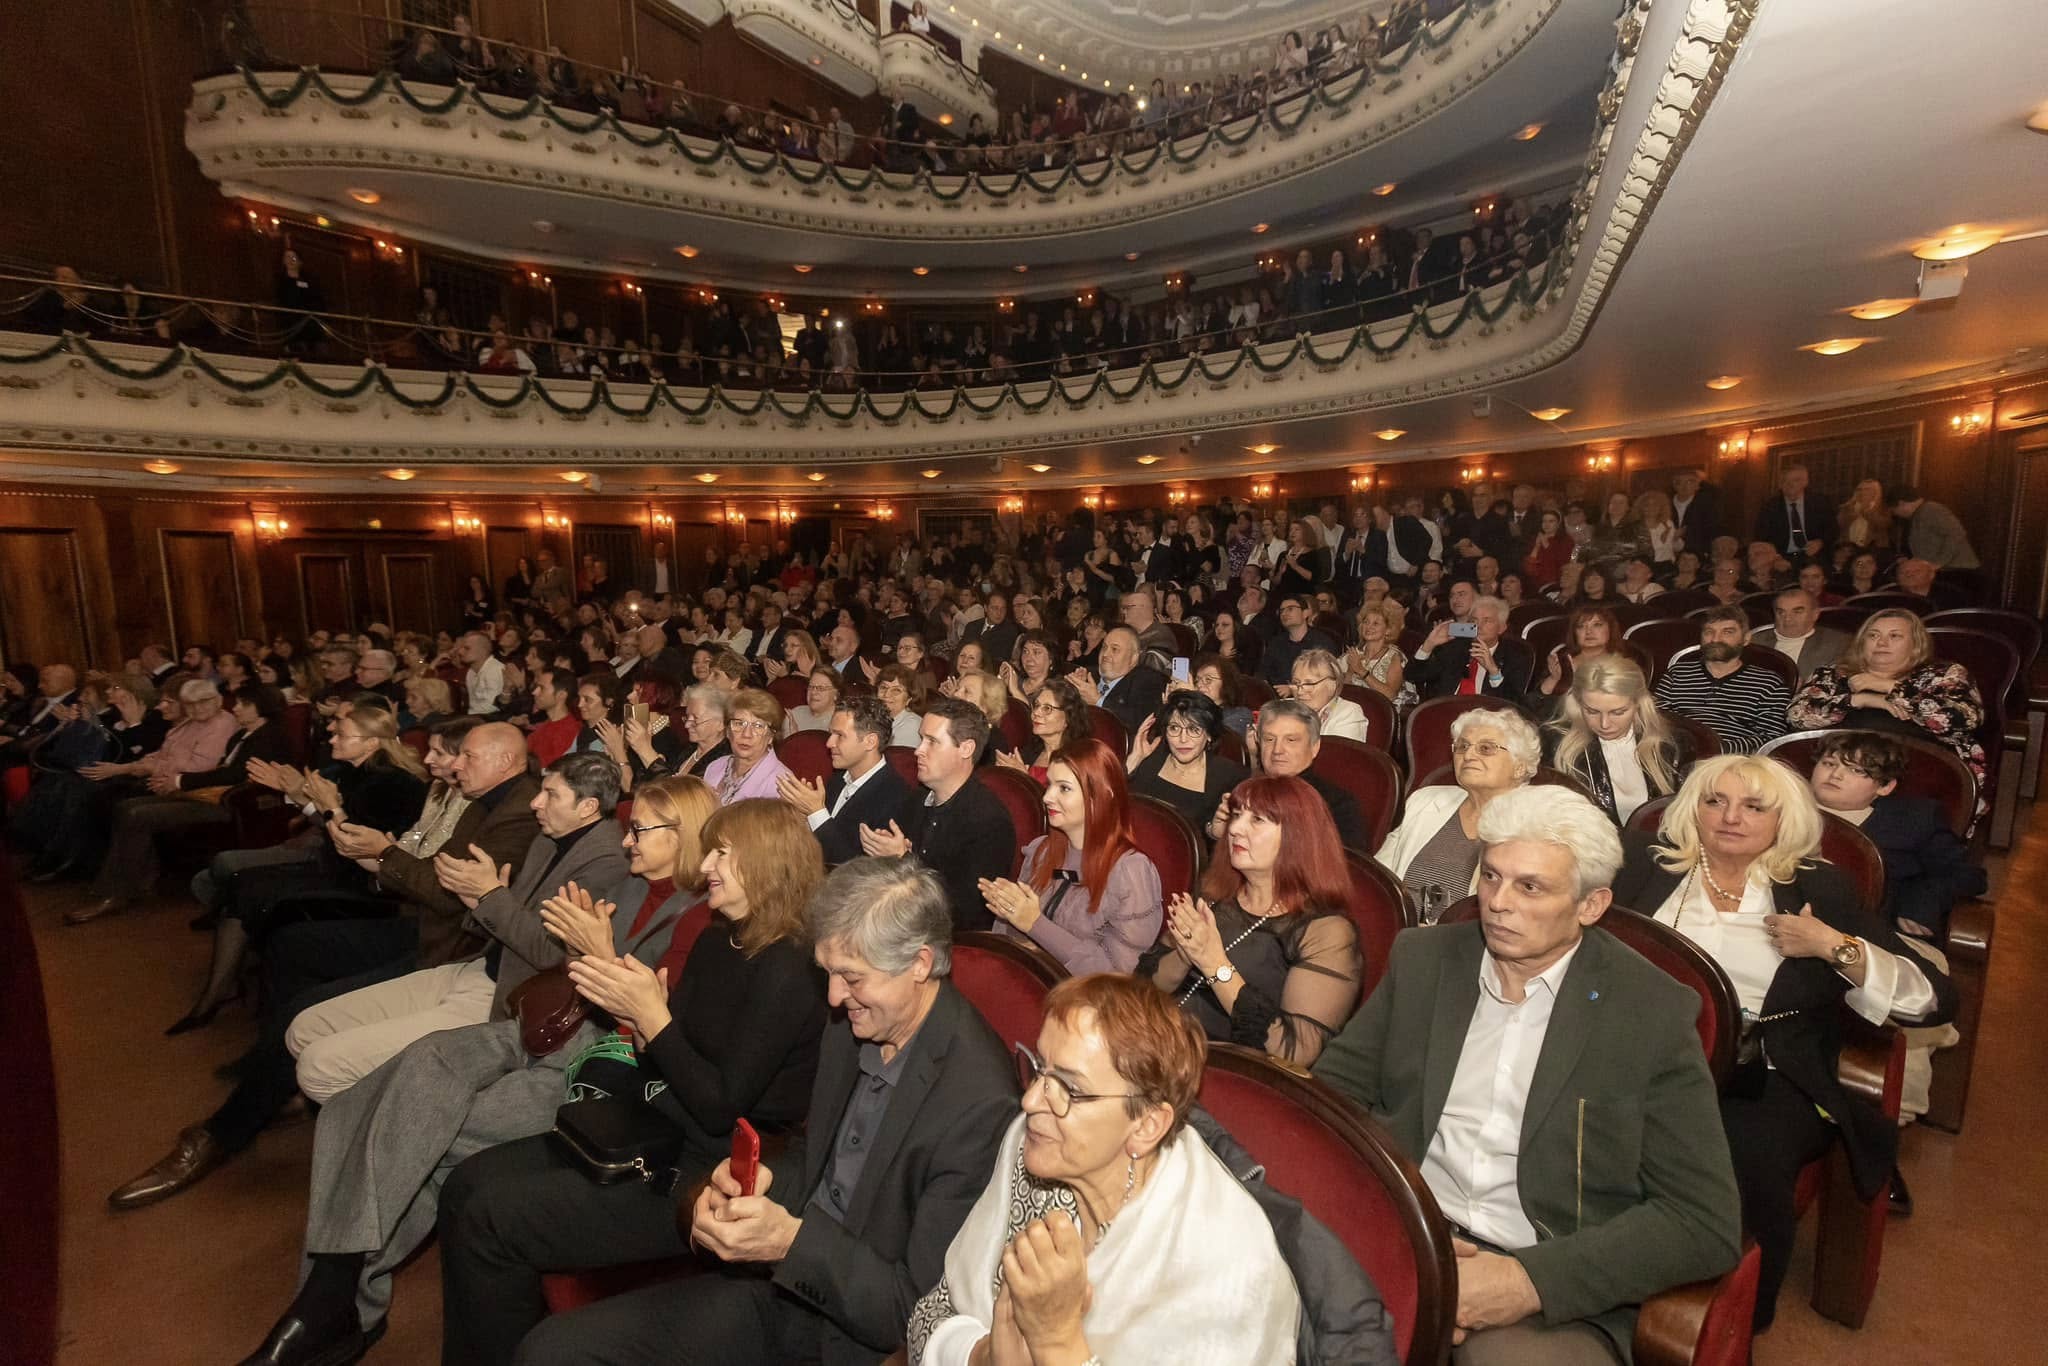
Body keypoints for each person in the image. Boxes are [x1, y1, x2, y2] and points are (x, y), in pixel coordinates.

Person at [441, 856, 1017, 1365]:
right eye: (829, 974)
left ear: (920, 964)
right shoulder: (864, 1020)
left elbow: (912, 1312)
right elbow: (823, 1166)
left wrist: (789, 1241)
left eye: (852, 978)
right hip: (788, 1280)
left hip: (852, 1336)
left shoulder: (978, 1105)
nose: (835, 999)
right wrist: (754, 1187)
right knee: (550, 1351)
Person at [230, 779, 719, 1366]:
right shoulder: (624, 880)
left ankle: (328, 1302)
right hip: (545, 1027)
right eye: (628, 826)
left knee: (418, 1127)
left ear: (684, 835)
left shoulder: (701, 917)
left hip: (602, 1063)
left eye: (640, 830)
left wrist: (595, 951)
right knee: (387, 1082)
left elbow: (649, 1027)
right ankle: (337, 1300)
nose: (627, 839)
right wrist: (575, 945)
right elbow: (553, 955)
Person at [1316, 786, 1742, 1361]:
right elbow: (1330, 1103)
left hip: (1549, 1275)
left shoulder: (1650, 1012)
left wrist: (1526, 1281)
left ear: (1591, 906)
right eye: (1490, 876)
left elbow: (1702, 1221)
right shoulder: (1425, 960)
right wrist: (1381, 1225)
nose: (1497, 902)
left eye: (1530, 886)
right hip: (1403, 1227)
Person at [107, 725, 544, 1211]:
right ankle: (274, 1082)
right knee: (291, 950)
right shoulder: (484, 799)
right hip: (425, 925)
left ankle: (221, 1133)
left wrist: (381, 852)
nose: (454, 764)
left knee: (303, 995)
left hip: (443, 944)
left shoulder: (517, 813)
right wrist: (368, 843)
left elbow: (449, 894)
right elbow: (433, 872)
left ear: (507, 762)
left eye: (466, 756)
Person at [1610, 757, 1954, 1330]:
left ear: (1783, 820)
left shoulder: (1817, 888)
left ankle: (1734, 1316)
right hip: (1633, 1054)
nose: (1730, 817)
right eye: (1714, 801)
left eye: (1753, 806)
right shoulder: (1642, 867)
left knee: (1748, 1154)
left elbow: (1933, 998)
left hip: (1759, 1073)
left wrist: (1833, 946)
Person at [908, 974, 1302, 1365]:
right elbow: (931, 1314)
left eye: (1070, 1088)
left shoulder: (1225, 1271)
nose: (1030, 1101)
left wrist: (1057, 1343)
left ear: (1146, 1125)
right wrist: (984, 1357)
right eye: (1040, 1068)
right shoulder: (1037, 1158)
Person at [1139, 774, 1362, 1066]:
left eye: (1257, 820)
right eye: (1236, 815)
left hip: (1227, 1075)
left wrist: (1213, 963)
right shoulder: (1216, 894)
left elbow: (1293, 1053)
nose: (1235, 829)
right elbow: (1146, 988)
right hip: (1159, 1043)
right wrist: (1186, 952)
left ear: (1298, 836)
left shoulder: (1327, 932)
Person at [64, 683, 290, 925]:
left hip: (232, 805)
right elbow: (220, 770)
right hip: (211, 794)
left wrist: (179, 781)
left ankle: (117, 893)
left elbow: (231, 775)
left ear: (262, 707)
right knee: (126, 807)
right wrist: (174, 780)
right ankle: (129, 882)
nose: (235, 708)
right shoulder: (243, 733)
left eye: (243, 704)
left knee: (137, 814)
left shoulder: (269, 736)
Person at [1786, 609, 1988, 824]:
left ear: (1916, 644)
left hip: (1919, 777)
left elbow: (1964, 718)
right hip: (1838, 772)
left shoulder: (1943, 674)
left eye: (1895, 636)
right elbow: (1797, 716)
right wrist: (1859, 700)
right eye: (1873, 635)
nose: (1882, 643)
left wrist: (1892, 688)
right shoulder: (1834, 673)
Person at [981, 738, 1163, 975]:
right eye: (1049, 785)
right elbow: (1008, 946)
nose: (1047, 797)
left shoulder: (1131, 871)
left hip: (1087, 1002)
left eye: (1063, 788)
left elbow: (1117, 975)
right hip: (1030, 982)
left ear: (1101, 795)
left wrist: (1035, 924)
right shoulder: (1042, 850)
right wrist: (1009, 908)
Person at [1806, 731, 1984, 939]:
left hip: (1867, 934)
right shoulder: (1777, 803)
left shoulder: (1914, 821)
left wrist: (1922, 898)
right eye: (1828, 763)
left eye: (1856, 770)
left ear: (1885, 787)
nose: (1836, 775)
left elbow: (1968, 875)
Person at [861, 697, 1019, 931]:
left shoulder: (989, 821)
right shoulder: (914, 801)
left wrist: (904, 859)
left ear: (966, 749)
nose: (918, 751)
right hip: (898, 923)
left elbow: (967, 912)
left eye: (932, 742)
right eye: (921, 739)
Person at [1376, 707, 1542, 918]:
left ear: (1519, 766)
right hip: (1398, 928)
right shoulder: (1425, 800)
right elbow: (1379, 876)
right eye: (1462, 746)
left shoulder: (1539, 823)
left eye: (1486, 748)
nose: (1469, 755)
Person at [1547, 658, 1694, 826]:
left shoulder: (1674, 746)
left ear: (1638, 703)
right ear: (1578, 704)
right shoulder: (1556, 744)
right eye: (1592, 711)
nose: (1604, 724)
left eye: (1618, 712)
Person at [777, 695, 913, 865]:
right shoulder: (838, 779)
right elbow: (822, 839)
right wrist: (804, 818)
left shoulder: (895, 796)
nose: (829, 743)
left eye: (839, 735)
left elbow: (854, 867)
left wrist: (816, 812)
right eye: (830, 733)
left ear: (870, 742)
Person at [1234, 697, 1371, 850]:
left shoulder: (1338, 806)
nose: (1277, 750)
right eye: (1269, 739)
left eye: (1291, 740)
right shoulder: (1244, 791)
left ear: (1314, 747)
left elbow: (1345, 868)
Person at [1653, 607, 1792, 755]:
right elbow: (1657, 719)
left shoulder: (1769, 683)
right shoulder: (1678, 673)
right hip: (1678, 752)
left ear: (1746, 639)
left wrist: (1717, 748)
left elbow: (1772, 738)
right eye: (1709, 632)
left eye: (1727, 632)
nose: (1715, 639)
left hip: (1734, 762)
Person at [1125, 690, 1249, 829]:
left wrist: (1213, 832)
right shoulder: (1149, 760)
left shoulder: (1230, 777)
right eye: (1174, 728)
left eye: (1194, 729)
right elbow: (1114, 808)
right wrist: (1134, 760)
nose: (1182, 739)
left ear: (1209, 735)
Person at [1407, 596, 1530, 702]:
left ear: (1501, 628)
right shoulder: (1454, 648)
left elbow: (1515, 703)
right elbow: (1412, 675)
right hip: (1447, 713)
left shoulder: (1516, 657)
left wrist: (1493, 671)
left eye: (1487, 621)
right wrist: (1429, 644)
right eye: (1474, 620)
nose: (1479, 626)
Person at [1068, 624, 1166, 741]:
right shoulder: (1088, 674)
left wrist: (1098, 701)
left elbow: (1140, 721)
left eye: (1115, 649)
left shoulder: (1148, 680)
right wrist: (1073, 692)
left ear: (1133, 658)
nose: (1105, 654)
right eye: (1104, 647)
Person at [1887, 484, 1982, 599]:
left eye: (1893, 510)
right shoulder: (1921, 514)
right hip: (1949, 573)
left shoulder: (1931, 509)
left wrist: (1938, 563)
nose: (1895, 514)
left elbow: (1956, 534)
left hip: (1957, 573)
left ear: (1901, 504)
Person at [702, 688, 791, 805]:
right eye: (739, 724)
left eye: (758, 726)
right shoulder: (715, 766)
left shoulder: (781, 784)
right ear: (728, 731)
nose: (746, 734)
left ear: (771, 737)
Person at [996, 677, 1090, 783]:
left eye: (1047, 708)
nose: (1036, 713)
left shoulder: (1078, 760)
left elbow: (1061, 798)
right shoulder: (1029, 752)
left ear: (1068, 718)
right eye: (1036, 706)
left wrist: (1023, 778)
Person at [1750, 586, 1850, 684]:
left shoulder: (1837, 643)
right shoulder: (1755, 642)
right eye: (1781, 612)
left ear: (1815, 614)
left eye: (1797, 612)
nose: (1787, 618)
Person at [1533, 605, 1623, 703]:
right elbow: (1534, 705)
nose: (1589, 631)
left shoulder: (1624, 662)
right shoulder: (1561, 662)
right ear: (1574, 633)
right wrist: (1553, 679)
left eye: (1597, 625)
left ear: (1611, 629)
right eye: (1581, 626)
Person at [1753, 462, 1835, 562]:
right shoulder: (1770, 507)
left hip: (1814, 556)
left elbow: (1833, 530)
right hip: (1782, 558)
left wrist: (1820, 542)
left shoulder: (1819, 502)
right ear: (1779, 484)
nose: (1789, 484)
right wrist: (1775, 558)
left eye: (1795, 480)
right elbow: (1761, 537)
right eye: (1784, 481)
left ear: (1805, 482)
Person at [1256, 591, 1339, 688]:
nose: (1284, 613)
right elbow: (1263, 672)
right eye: (1281, 610)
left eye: (1290, 609)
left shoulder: (1322, 642)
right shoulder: (1276, 643)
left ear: (1305, 613)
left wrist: (1293, 689)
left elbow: (1328, 679)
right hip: (1277, 697)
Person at [1289, 647, 1372, 742]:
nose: (1300, 692)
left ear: (1333, 685)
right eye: (1296, 683)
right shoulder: (1283, 710)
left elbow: (1337, 755)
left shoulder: (1349, 713)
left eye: (1309, 683)